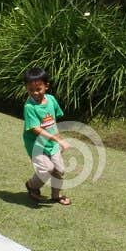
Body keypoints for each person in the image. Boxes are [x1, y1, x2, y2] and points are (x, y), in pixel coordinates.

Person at [21, 67, 72, 205]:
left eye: (38, 89)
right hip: (36, 145)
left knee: (59, 170)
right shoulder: (29, 107)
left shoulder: (51, 100)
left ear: (46, 86)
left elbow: (53, 121)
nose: (35, 93)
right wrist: (56, 139)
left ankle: (56, 195)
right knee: (47, 168)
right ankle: (32, 186)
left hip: (52, 143)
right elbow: (36, 129)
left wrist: (58, 139)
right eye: (31, 90)